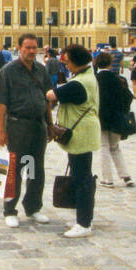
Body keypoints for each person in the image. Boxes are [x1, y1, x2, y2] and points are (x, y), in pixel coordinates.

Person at [0, 33, 55, 227]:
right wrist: (1, 131)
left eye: (34, 47)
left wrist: (50, 125)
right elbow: (1, 104)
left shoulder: (41, 70)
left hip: (38, 125)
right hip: (17, 125)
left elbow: (46, 100)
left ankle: (33, 207)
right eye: (27, 47)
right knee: (14, 168)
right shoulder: (8, 71)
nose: (31, 51)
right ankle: (10, 209)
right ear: (19, 48)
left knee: (36, 169)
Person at [46, 44, 100, 238]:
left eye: (67, 62)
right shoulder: (85, 76)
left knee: (82, 179)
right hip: (83, 133)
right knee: (82, 176)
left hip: (81, 134)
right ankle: (84, 218)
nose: (66, 66)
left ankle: (84, 223)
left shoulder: (80, 83)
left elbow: (52, 95)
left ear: (76, 62)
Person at [94, 51, 134, 188]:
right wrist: (123, 111)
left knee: (104, 147)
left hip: (100, 118)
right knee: (115, 148)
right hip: (116, 117)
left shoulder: (95, 79)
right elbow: (128, 97)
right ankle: (126, 176)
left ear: (96, 63)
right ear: (110, 64)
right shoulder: (119, 79)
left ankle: (108, 178)